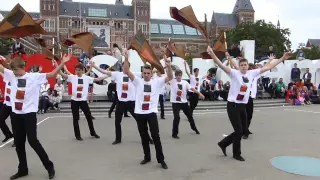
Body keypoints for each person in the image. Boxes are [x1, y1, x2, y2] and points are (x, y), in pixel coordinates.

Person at [207, 46, 291, 161]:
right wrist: (212, 54)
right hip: (233, 105)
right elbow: (221, 65)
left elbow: (268, 66)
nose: (243, 67)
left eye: (245, 65)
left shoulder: (252, 73)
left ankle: (223, 143)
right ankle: (236, 154)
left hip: (243, 105)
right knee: (239, 131)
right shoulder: (234, 73)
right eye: (241, 65)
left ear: (248, 66)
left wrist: (282, 58)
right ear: (239, 66)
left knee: (243, 130)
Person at [0, 55, 73, 180]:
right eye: (13, 70)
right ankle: (22, 169)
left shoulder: (34, 77)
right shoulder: (11, 75)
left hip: (29, 115)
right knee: (19, 143)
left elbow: (51, 74)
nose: (14, 73)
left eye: (16, 70)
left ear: (23, 67)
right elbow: (1, 68)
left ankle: (49, 166)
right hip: (16, 114)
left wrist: (62, 64)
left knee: (33, 141)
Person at [123, 53, 173, 169]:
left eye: (148, 73)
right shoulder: (137, 81)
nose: (146, 75)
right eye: (144, 73)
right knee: (144, 137)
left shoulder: (157, 81)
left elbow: (170, 77)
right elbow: (126, 71)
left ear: (151, 74)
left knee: (156, 136)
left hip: (151, 113)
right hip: (139, 113)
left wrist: (169, 65)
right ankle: (147, 157)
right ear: (142, 73)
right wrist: (126, 58)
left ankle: (161, 160)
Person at [90, 60, 152, 145]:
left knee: (139, 121)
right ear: (122, 67)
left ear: (128, 67)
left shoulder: (134, 74)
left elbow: (147, 73)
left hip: (131, 102)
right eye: (123, 66)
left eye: (126, 66)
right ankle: (118, 139)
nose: (124, 68)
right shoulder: (117, 74)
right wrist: (95, 66)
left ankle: (147, 138)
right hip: (121, 102)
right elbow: (104, 72)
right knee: (117, 121)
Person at [57, 62, 108, 141]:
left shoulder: (86, 78)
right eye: (76, 70)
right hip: (74, 101)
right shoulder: (72, 77)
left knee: (89, 117)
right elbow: (61, 73)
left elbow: (98, 79)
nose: (77, 72)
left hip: (83, 101)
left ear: (82, 70)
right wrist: (58, 66)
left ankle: (93, 132)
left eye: (79, 70)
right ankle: (77, 135)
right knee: (76, 119)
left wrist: (108, 74)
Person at [170, 69, 204, 139]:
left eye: (180, 75)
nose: (178, 77)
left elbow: (192, 89)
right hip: (175, 103)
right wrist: (167, 66)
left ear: (181, 76)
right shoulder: (172, 81)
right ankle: (174, 134)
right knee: (176, 118)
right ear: (175, 76)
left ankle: (194, 128)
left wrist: (199, 93)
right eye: (177, 75)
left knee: (190, 116)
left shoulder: (185, 82)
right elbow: (169, 74)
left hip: (184, 102)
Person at [0, 72, 14, 143]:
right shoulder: (7, 79)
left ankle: (17, 140)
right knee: (0, 120)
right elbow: (2, 74)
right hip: (6, 104)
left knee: (14, 123)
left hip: (13, 105)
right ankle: (8, 134)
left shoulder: (16, 80)